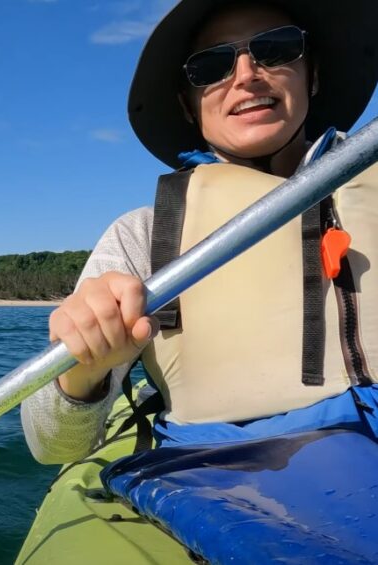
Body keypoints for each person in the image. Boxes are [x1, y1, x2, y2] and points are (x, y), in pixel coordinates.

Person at [22, 0, 378, 464]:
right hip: (230, 481)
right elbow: (53, 446)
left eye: (277, 48)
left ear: (311, 75)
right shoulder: (140, 235)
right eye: (211, 65)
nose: (247, 74)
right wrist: (84, 371)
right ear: (188, 108)